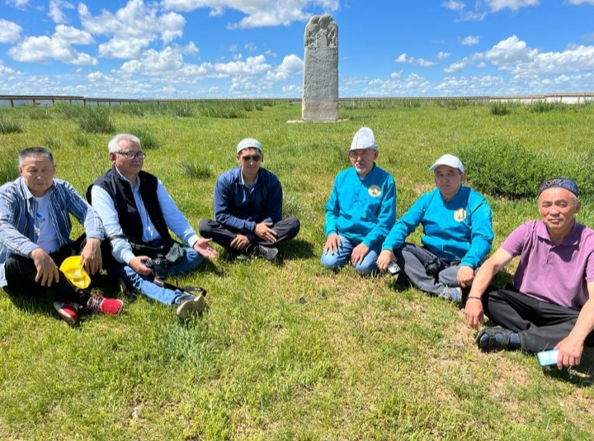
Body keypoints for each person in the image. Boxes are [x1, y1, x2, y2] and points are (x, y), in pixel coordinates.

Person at [464, 178, 594, 369]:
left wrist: (575, 339)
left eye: (562, 204)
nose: (554, 211)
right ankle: (545, 337)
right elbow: (493, 263)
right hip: (524, 301)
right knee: (486, 294)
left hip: (564, 312)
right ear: (539, 208)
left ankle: (515, 338)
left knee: (589, 328)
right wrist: (474, 297)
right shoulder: (528, 230)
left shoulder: (589, 242)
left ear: (577, 207)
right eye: (546, 205)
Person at [88, 134, 217, 319]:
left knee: (195, 254)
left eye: (140, 154)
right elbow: (113, 233)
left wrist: (194, 240)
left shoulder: (152, 182)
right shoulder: (102, 189)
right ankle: (180, 299)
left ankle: (134, 277)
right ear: (112, 157)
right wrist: (131, 260)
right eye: (129, 153)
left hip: (158, 246)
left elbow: (173, 216)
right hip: (126, 251)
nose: (137, 159)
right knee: (133, 269)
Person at [0, 147, 123, 325]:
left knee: (98, 240)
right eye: (33, 170)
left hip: (59, 256)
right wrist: (34, 251)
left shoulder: (61, 188)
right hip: (27, 271)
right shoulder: (7, 193)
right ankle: (87, 300)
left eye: (45, 170)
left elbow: (88, 213)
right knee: (15, 260)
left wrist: (94, 241)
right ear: (21, 171)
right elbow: (2, 227)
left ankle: (68, 301)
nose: (40, 176)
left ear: (54, 170)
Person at [377, 154, 493, 303]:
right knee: (399, 249)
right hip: (431, 258)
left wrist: (468, 264)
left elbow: (482, 238)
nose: (444, 179)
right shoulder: (427, 199)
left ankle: (418, 277)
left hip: (460, 261)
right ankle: (442, 290)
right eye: (439, 174)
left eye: (450, 174)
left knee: (481, 272)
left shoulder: (476, 202)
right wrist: (387, 248)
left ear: (462, 176)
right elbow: (404, 224)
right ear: (434, 178)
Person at [198, 138, 300, 261]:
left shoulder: (272, 181)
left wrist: (250, 236)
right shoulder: (225, 181)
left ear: (262, 158)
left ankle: (245, 247)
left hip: (263, 227)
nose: (251, 162)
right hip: (235, 227)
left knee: (293, 224)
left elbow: (274, 215)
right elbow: (221, 215)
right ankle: (256, 248)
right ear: (238, 158)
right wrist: (252, 228)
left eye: (255, 158)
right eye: (246, 158)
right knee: (205, 226)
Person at [321, 127, 396, 275]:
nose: (359, 159)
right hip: (344, 234)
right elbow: (331, 210)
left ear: (375, 154)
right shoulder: (342, 177)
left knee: (364, 267)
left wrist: (367, 243)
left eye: (364, 153)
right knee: (328, 262)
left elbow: (386, 221)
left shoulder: (387, 181)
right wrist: (331, 232)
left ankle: (378, 254)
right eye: (354, 154)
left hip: (371, 237)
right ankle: (350, 251)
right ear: (349, 156)